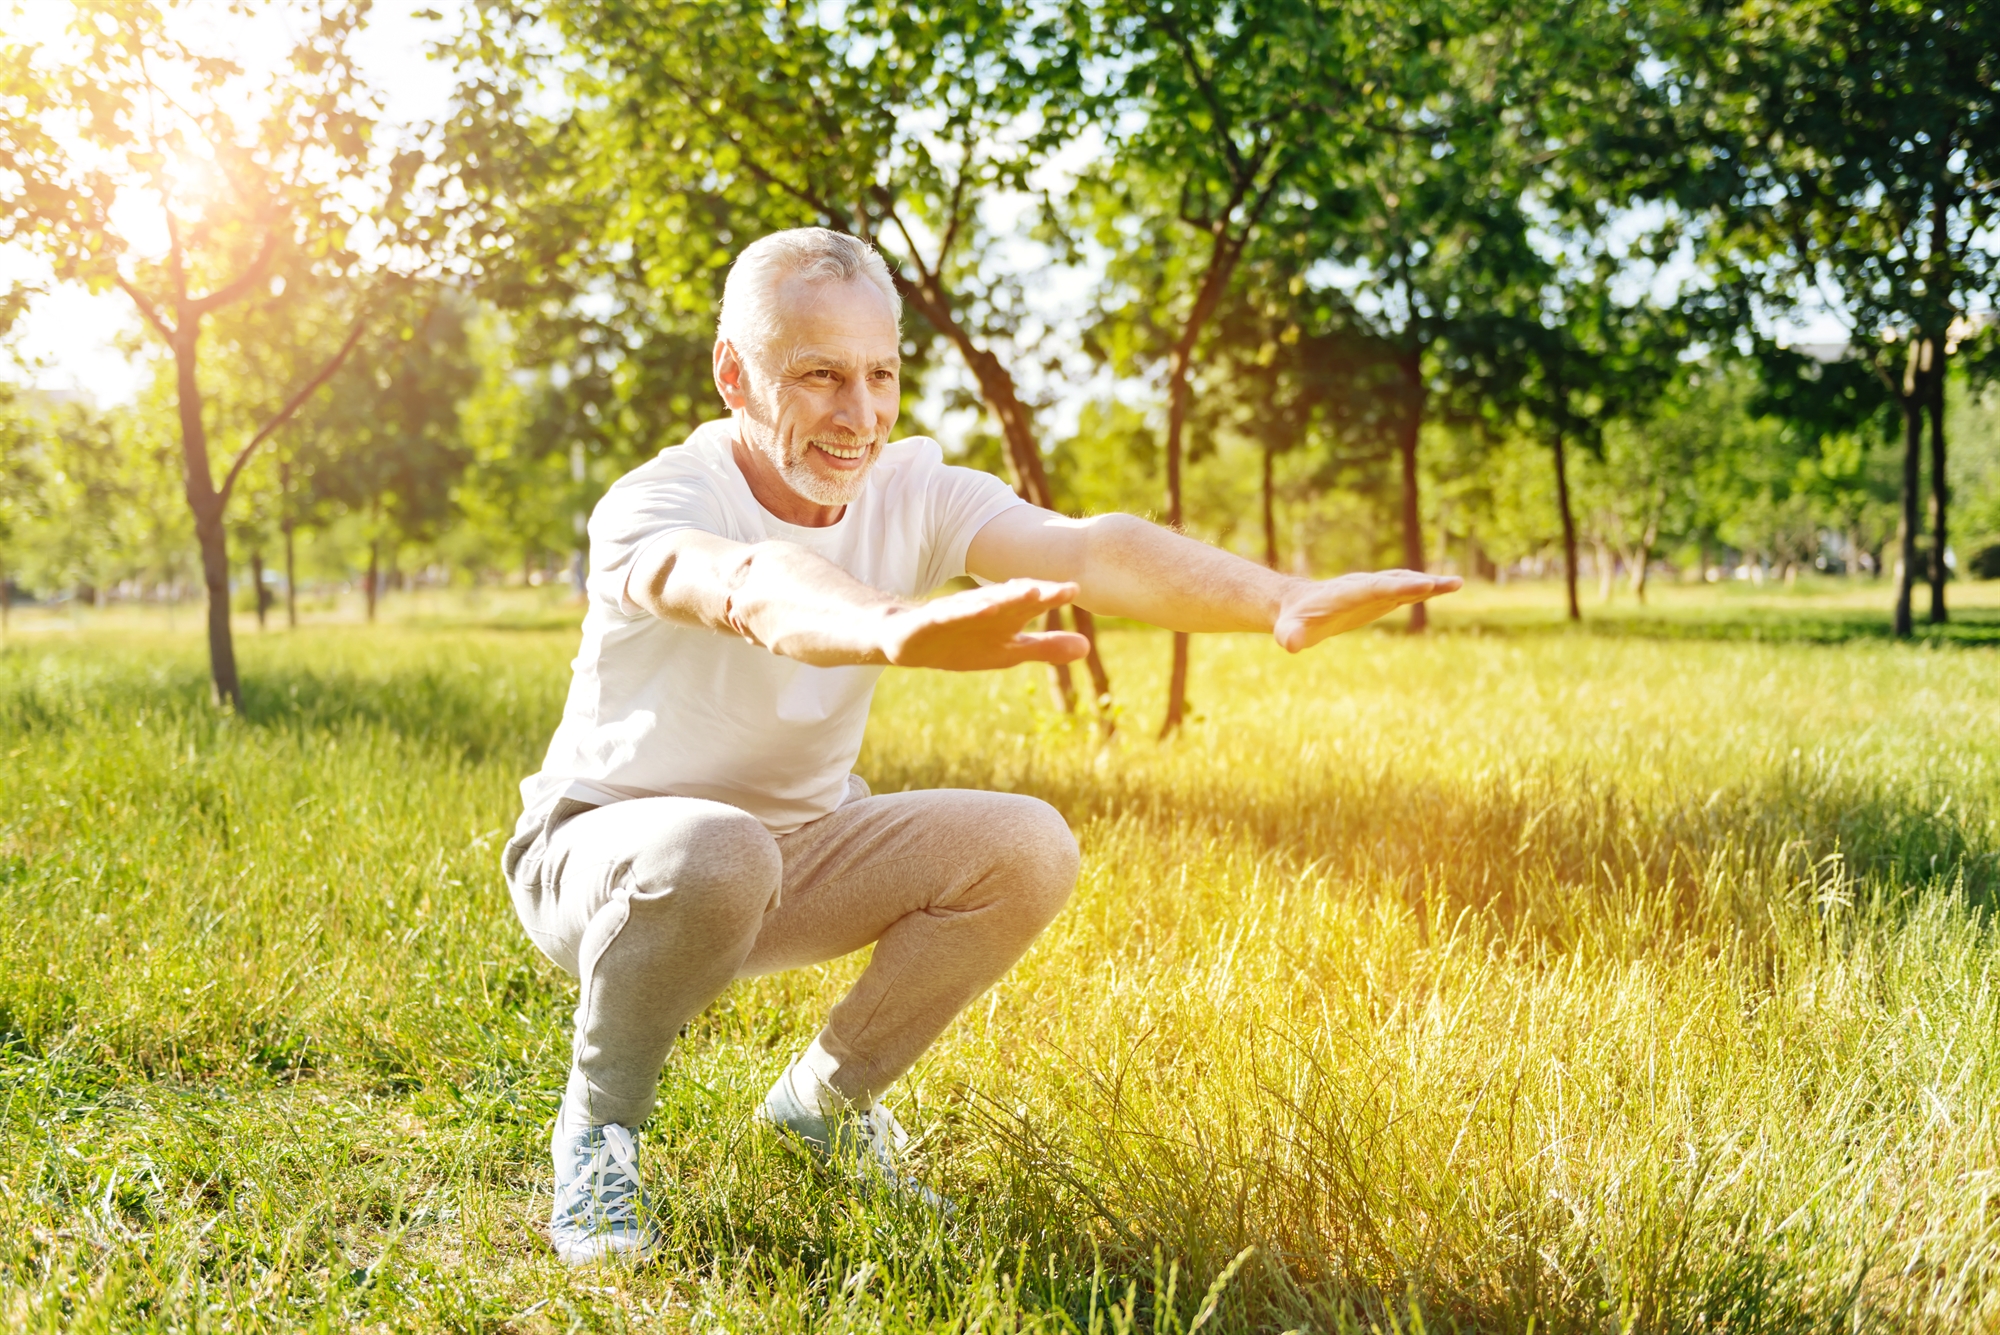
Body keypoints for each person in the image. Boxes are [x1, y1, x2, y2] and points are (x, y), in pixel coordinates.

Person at [502, 226, 1461, 1265]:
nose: (858, 415)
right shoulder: (661, 500)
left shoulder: (912, 489)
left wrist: (1277, 598)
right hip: (605, 861)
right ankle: (597, 1131)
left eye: (879, 374)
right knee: (716, 848)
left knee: (1026, 844)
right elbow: (744, 585)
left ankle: (823, 1103)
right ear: (734, 374)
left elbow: (1089, 549)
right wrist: (890, 625)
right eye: (819, 375)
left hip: (799, 849)